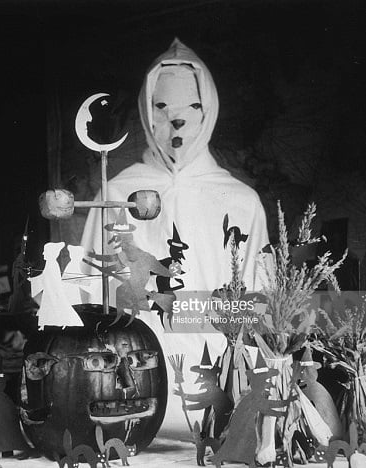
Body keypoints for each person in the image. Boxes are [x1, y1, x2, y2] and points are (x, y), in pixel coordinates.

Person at [81, 38, 270, 437]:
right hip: (133, 388)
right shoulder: (115, 193)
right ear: (146, 113)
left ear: (209, 110)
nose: (177, 121)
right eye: (162, 108)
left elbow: (261, 303)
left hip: (221, 389)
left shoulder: (242, 202)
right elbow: (88, 296)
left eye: (191, 107)